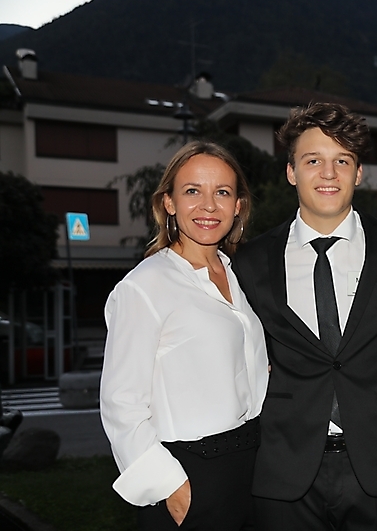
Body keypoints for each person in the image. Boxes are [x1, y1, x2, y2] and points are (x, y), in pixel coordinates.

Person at [232, 102, 377, 530]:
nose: (328, 173)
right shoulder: (251, 261)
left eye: (342, 161)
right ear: (291, 172)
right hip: (284, 467)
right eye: (313, 160)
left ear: (359, 173)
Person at [100, 141, 269, 531]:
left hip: (251, 466)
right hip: (190, 473)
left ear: (238, 206)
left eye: (222, 192)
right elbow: (120, 403)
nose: (208, 206)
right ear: (169, 203)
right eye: (193, 191)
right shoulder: (145, 285)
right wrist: (170, 487)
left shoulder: (237, 274)